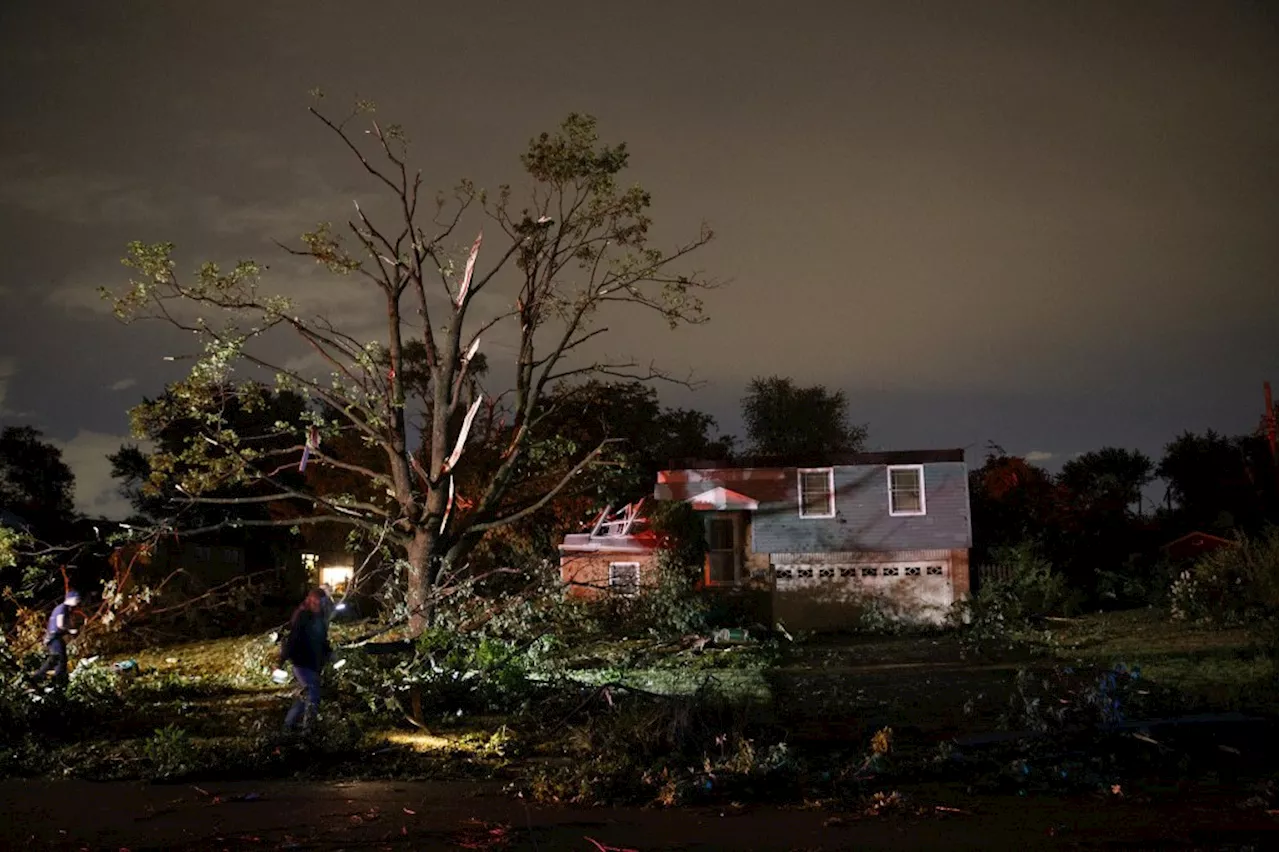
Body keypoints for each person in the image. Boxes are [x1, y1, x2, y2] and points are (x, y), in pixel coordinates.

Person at [280, 588, 332, 731]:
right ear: (311, 601)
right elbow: (292, 640)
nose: (319, 604)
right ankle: (308, 729)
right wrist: (281, 661)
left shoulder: (320, 619)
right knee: (313, 694)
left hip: (313, 664)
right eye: (317, 601)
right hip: (302, 663)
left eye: (321, 602)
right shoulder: (303, 617)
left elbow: (323, 641)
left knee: (304, 697)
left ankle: (288, 726)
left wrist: (330, 654)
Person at [34, 589, 81, 686]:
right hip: (54, 637)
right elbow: (60, 625)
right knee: (59, 660)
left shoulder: (63, 609)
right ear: (72, 599)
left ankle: (51, 679)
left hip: (55, 637)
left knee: (58, 659)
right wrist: (70, 631)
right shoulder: (63, 608)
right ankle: (40, 678)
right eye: (77, 600)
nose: (77, 603)